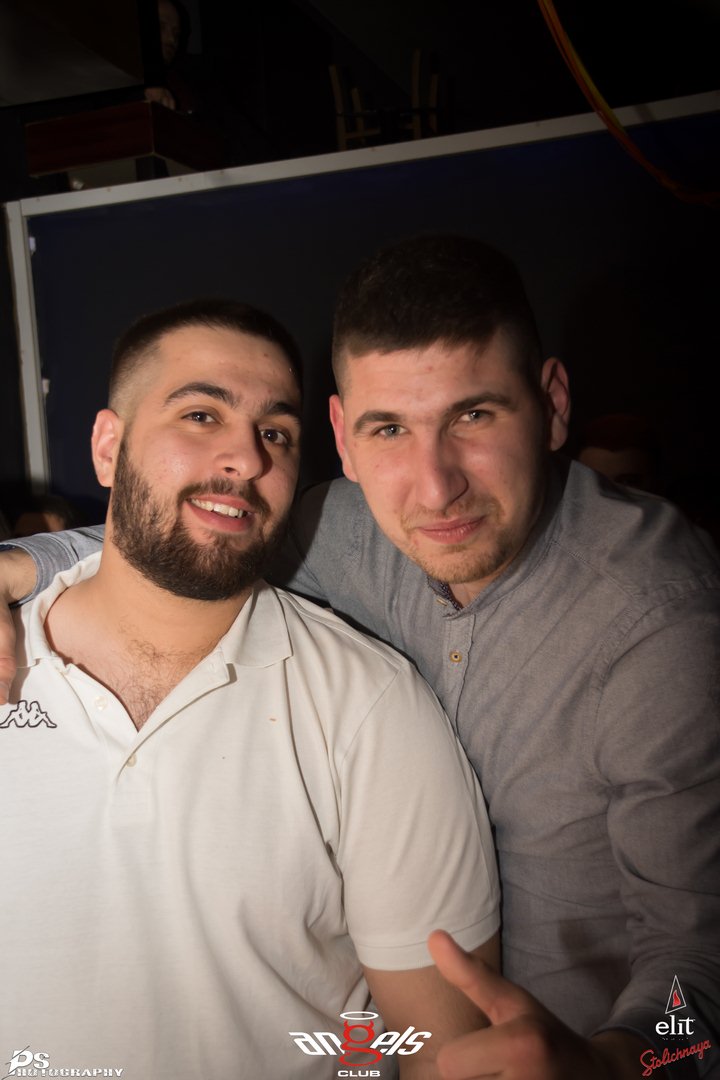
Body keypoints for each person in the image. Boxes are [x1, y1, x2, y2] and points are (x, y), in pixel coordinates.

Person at [1, 237, 719, 1078]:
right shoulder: (338, 527)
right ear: (343, 435)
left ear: (554, 404)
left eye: (475, 415)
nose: (435, 486)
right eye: (390, 428)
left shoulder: (661, 617)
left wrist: (626, 1063)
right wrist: (24, 565)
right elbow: (190, 533)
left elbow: (702, 966)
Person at [0, 298, 501, 1079]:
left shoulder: (370, 707)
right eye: (202, 415)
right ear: (108, 446)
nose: (246, 459)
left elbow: (446, 1051)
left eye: (276, 433)